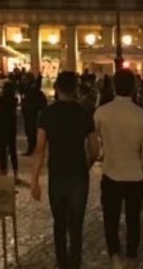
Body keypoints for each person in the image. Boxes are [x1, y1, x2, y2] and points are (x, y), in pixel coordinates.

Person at [30, 71, 94, 269]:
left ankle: (61, 261)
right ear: (76, 89)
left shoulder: (47, 114)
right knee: (76, 222)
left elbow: (39, 149)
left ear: (57, 88)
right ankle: (75, 262)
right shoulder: (84, 113)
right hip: (78, 173)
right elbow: (95, 147)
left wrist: (34, 180)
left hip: (57, 172)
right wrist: (87, 163)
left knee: (59, 221)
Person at [95, 70, 143, 269]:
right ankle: (132, 255)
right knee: (133, 218)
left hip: (111, 171)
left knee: (110, 218)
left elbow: (94, 142)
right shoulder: (142, 115)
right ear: (134, 88)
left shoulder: (102, 112)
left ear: (113, 87)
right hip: (134, 173)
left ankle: (115, 256)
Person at [0, 84, 21, 176]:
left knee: (2, 150)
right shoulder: (14, 100)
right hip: (11, 125)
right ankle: (15, 172)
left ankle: (3, 172)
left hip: (2, 125)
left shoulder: (0, 100)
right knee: (13, 149)